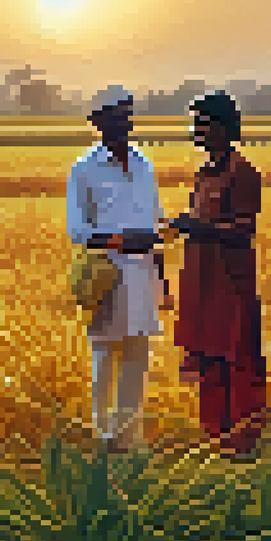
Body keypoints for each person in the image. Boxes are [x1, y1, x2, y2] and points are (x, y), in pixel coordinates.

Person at [66, 86, 166, 453]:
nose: (123, 122)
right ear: (97, 123)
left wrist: (163, 280)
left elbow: (153, 221)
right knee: (105, 356)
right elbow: (77, 230)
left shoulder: (144, 164)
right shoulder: (84, 169)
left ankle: (129, 435)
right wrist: (121, 242)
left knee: (138, 355)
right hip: (105, 276)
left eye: (127, 114)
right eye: (114, 116)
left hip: (142, 275)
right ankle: (104, 435)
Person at [168, 91, 266, 459]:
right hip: (201, 284)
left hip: (230, 285)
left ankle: (243, 445)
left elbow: (242, 232)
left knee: (237, 362)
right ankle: (215, 442)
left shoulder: (243, 173)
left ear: (223, 128)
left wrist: (194, 227)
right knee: (208, 363)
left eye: (203, 125)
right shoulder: (204, 174)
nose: (196, 132)